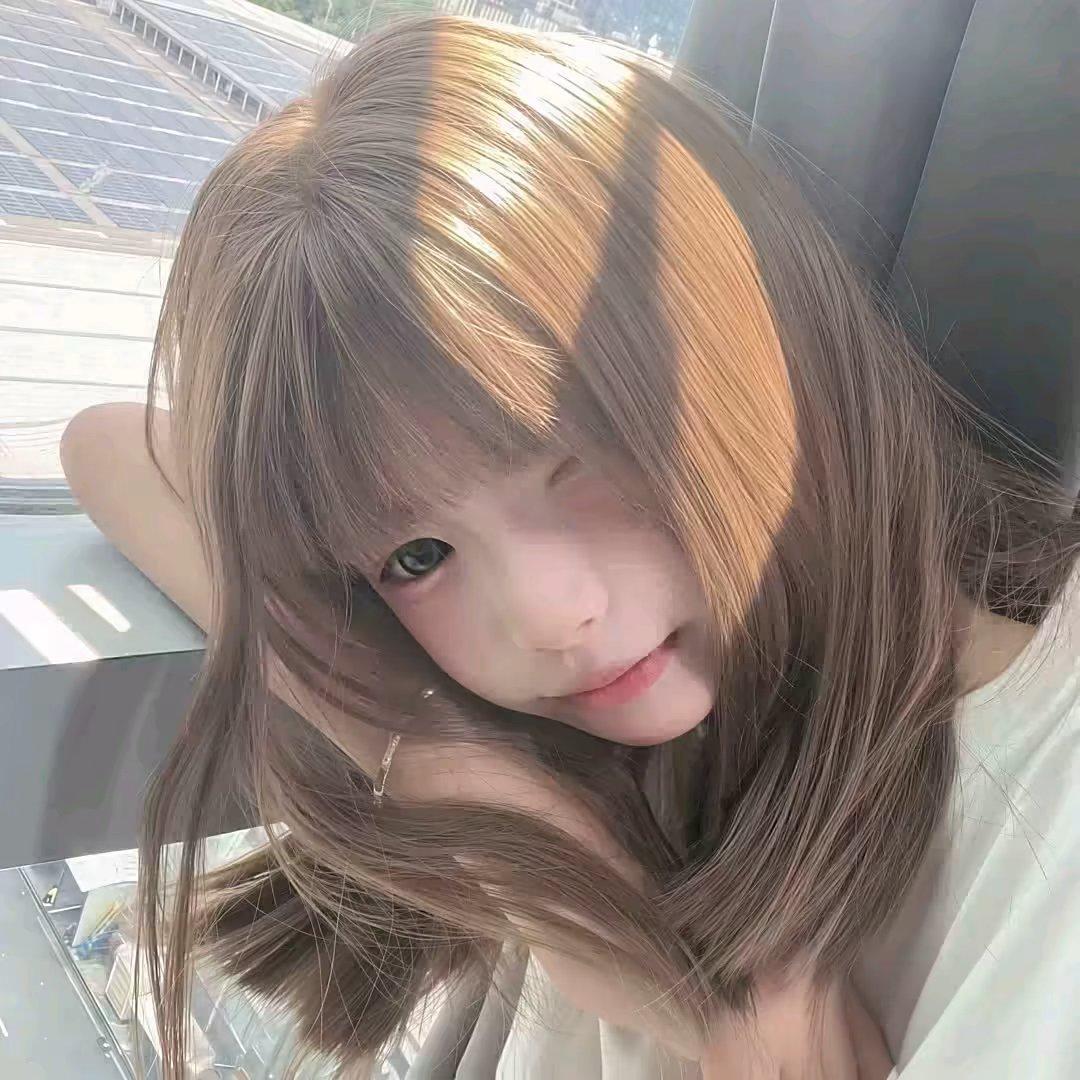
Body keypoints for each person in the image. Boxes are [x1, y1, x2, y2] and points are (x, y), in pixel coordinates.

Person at [60, 16, 1079, 1080]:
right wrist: (487, 793)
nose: (548, 616)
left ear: (762, 340)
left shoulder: (1045, 815)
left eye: (580, 458)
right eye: (417, 557)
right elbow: (115, 448)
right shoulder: (639, 756)